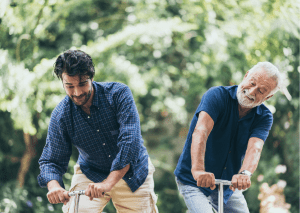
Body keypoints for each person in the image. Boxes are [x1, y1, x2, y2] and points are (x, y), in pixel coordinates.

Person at [38, 50, 158, 213]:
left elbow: (130, 142)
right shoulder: (61, 115)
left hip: (132, 172)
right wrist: (54, 186)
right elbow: (51, 160)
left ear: (92, 77)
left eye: (82, 84)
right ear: (62, 82)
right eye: (69, 86)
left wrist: (107, 184)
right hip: (90, 172)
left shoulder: (119, 94)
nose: (77, 92)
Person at [174, 62, 283, 213]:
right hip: (194, 180)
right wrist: (198, 170)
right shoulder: (217, 96)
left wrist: (244, 173)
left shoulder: (264, 116)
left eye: (261, 91)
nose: (251, 92)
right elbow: (201, 131)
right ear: (246, 76)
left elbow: (255, 148)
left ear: (268, 97)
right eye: (251, 83)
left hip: (227, 184)